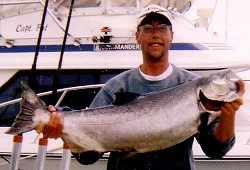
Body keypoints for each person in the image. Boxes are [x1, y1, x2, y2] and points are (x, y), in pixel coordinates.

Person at [37, 4, 245, 170]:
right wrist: (60, 124)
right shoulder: (117, 86)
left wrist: (229, 114)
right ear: (137, 36)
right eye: (148, 28)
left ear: (171, 35)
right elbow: (87, 157)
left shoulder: (189, 85)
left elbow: (215, 150)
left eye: (162, 28)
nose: (155, 34)